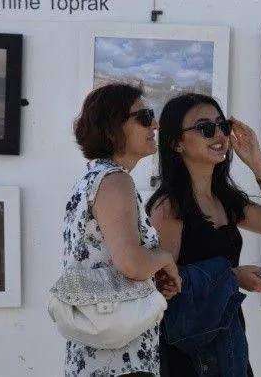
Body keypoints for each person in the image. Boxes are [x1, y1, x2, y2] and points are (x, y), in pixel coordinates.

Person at [146, 93, 261, 377]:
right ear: (176, 143)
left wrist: (258, 163)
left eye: (222, 125)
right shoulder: (169, 207)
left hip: (226, 340)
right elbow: (162, 283)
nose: (219, 135)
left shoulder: (224, 199)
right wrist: (233, 277)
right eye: (205, 128)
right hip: (188, 351)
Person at [61, 83, 182, 377]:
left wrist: (150, 282)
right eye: (145, 117)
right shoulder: (115, 181)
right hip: (119, 360)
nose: (155, 125)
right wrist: (164, 259)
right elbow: (132, 264)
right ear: (112, 127)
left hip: (96, 355)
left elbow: (108, 263)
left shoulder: (92, 180)